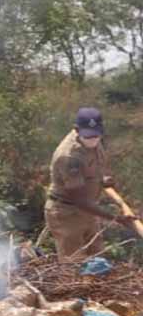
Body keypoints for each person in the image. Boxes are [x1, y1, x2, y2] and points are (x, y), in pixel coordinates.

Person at [46, 107, 133, 260]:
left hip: (89, 211)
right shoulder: (68, 156)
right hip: (67, 214)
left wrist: (103, 180)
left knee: (98, 259)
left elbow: (95, 169)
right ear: (77, 130)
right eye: (88, 136)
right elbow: (79, 201)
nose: (93, 139)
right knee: (74, 265)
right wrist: (115, 218)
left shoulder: (94, 140)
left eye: (96, 135)